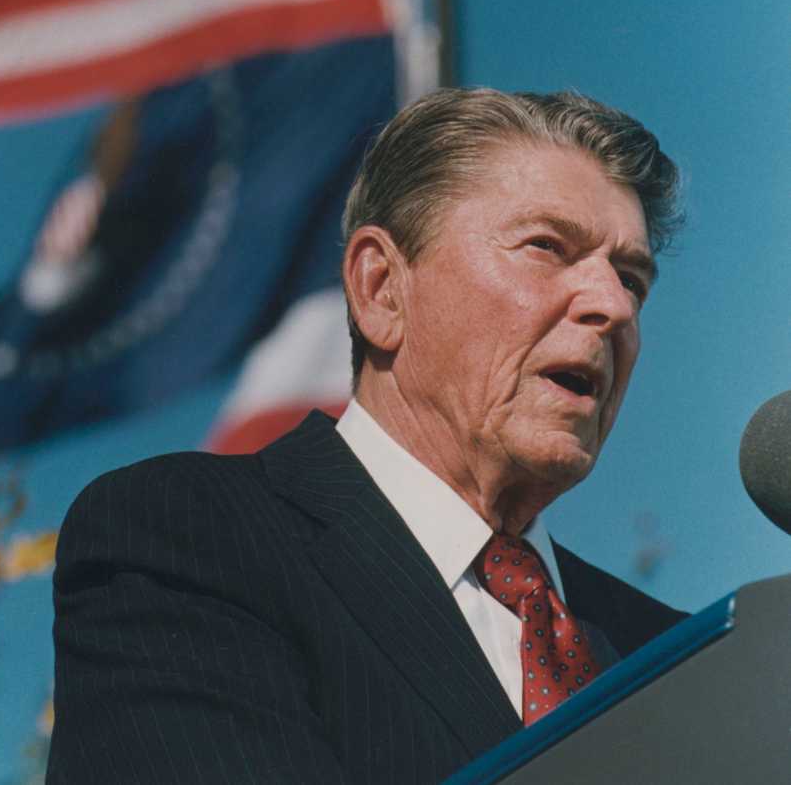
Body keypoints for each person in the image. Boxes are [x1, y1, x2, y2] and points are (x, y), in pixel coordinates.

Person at [47, 87, 687, 784]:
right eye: (545, 247)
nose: (612, 305)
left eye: (631, 278)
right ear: (382, 288)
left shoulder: (675, 653)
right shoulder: (185, 540)